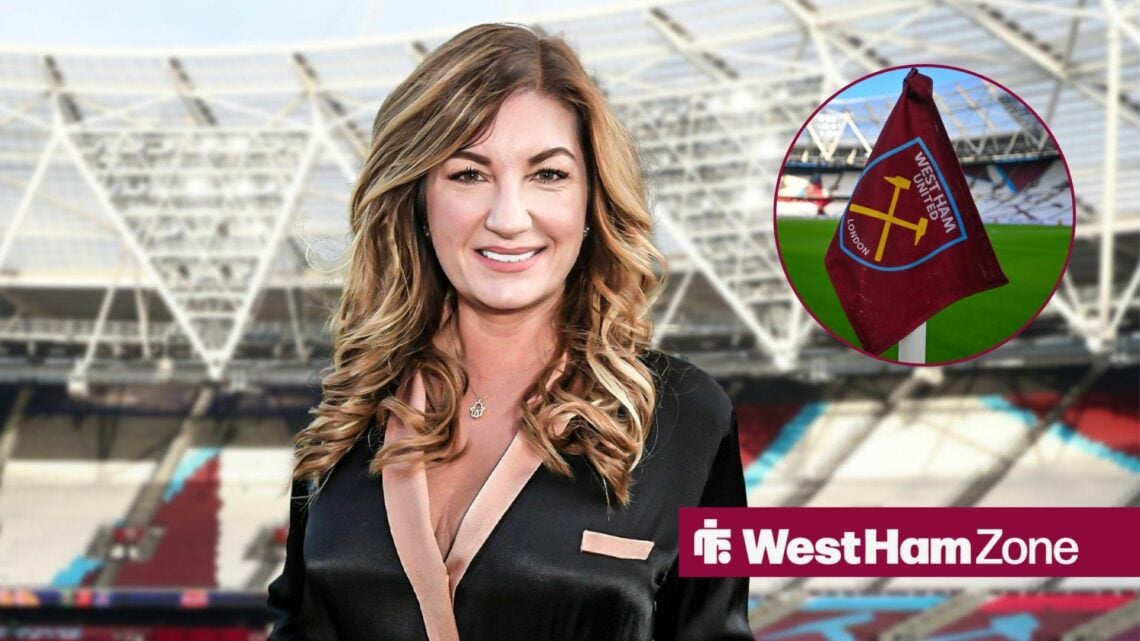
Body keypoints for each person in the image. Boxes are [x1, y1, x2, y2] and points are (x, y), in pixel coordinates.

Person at [266, 22, 751, 641]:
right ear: (418, 199)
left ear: (590, 202)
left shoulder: (690, 416)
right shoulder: (348, 412)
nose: (508, 217)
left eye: (548, 175)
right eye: (468, 174)